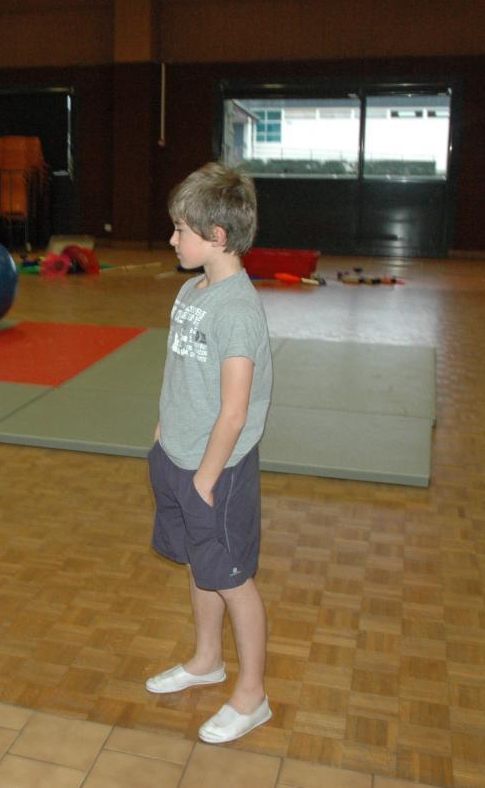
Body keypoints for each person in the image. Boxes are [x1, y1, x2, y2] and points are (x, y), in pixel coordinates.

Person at [144, 162, 274, 744]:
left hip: (214, 470)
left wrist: (205, 480)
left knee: (231, 577)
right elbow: (178, 372)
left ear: (216, 236)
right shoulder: (192, 288)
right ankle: (206, 661)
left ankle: (253, 696)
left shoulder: (239, 312)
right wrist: (161, 432)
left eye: (180, 229)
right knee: (201, 565)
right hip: (176, 453)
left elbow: (236, 410)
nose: (173, 239)